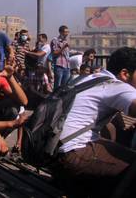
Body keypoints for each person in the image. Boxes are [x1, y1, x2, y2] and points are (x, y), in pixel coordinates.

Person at [51, 47, 136, 197]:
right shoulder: (116, 86)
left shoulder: (90, 78)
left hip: (52, 153)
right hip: (71, 156)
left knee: (113, 135)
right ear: (125, 74)